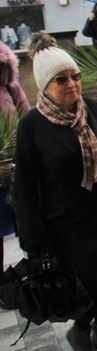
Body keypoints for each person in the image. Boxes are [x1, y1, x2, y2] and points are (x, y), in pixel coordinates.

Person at [15, 33, 97, 351]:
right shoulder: (32, 125)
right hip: (65, 221)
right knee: (90, 284)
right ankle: (81, 332)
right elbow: (26, 186)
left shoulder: (94, 108)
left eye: (74, 76)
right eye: (61, 80)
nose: (71, 84)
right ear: (44, 86)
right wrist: (33, 240)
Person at [0, 41, 29, 284]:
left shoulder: (12, 88)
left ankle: (37, 271)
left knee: (27, 226)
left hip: (18, 171)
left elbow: (27, 121)